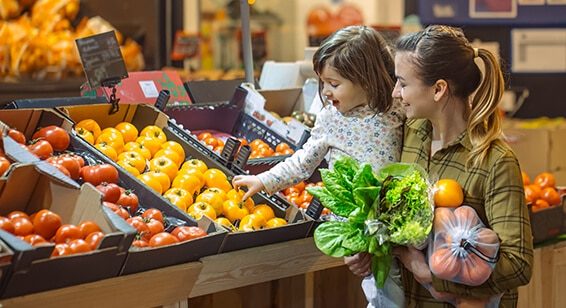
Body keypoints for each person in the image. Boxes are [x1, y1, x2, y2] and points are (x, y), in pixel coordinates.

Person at [345, 25, 534, 307]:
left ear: (438, 89)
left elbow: (518, 264)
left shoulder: (494, 160)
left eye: (403, 83)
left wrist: (429, 273)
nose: (395, 92)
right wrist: (373, 247)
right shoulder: (410, 134)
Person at [232, 25, 406, 307]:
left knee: (394, 288)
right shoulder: (330, 119)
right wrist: (264, 180)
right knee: (383, 291)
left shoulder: (395, 108)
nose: (325, 92)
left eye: (334, 84)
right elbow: (302, 162)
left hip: (392, 223)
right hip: (356, 225)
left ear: (366, 79)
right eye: (322, 82)